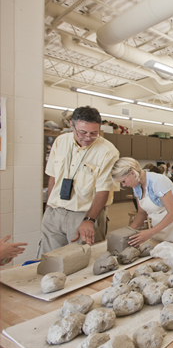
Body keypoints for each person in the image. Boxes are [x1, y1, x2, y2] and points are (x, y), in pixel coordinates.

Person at [40, 106, 119, 254]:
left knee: (83, 263)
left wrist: (89, 219)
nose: (88, 137)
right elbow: (53, 177)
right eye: (82, 132)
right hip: (55, 212)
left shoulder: (108, 151)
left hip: (84, 215)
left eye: (94, 133)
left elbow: (104, 190)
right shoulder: (60, 141)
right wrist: (49, 206)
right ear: (71, 124)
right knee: (49, 260)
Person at [111, 158, 173, 242]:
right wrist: (127, 232)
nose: (124, 185)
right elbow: (141, 212)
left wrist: (149, 233)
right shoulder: (136, 186)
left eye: (123, 181)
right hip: (161, 227)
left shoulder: (158, 182)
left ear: (132, 173)